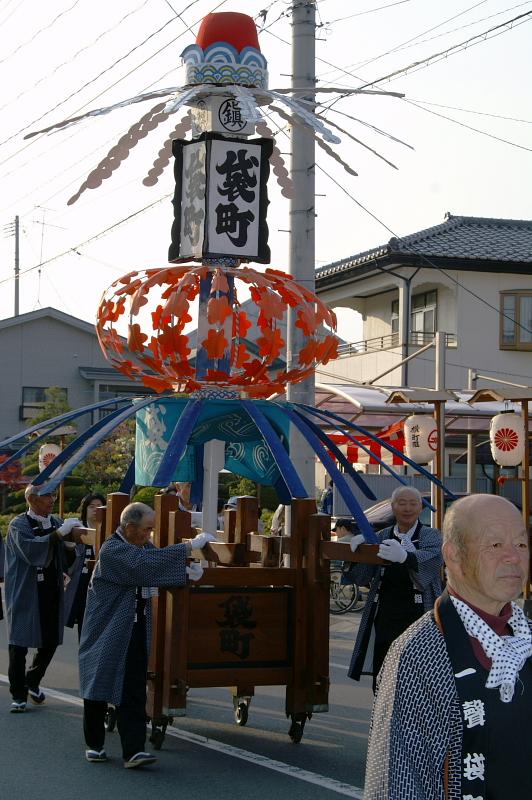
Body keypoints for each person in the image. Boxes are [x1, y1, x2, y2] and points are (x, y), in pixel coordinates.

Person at [364, 494, 532, 800]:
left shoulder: (527, 636)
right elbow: (397, 785)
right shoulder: (418, 653)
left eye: (521, 544)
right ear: (453, 556)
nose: (514, 557)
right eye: (495, 545)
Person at [79, 501, 217, 768]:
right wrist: (188, 547)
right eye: (146, 530)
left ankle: (133, 751)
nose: (149, 535)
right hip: (106, 628)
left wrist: (189, 573)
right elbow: (143, 566)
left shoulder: (142, 547)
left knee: (133, 687)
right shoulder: (113, 549)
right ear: (129, 527)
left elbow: (156, 565)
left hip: (135, 626)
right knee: (99, 684)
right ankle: (94, 744)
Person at [347, 485, 442, 691]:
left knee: (418, 665)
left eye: (413, 503)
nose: (407, 508)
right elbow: (363, 576)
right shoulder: (381, 535)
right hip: (387, 610)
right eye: (402, 503)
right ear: (393, 507)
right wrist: (358, 555)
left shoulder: (431, 535)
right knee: (384, 661)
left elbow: (433, 563)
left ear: (420, 508)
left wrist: (406, 557)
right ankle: (382, 706)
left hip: (419, 610)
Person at [4, 484, 83, 713]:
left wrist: (68, 544)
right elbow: (31, 551)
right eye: (46, 495)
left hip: (51, 588)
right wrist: (58, 535)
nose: (51, 500)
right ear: (31, 499)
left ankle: (33, 679)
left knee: (50, 639)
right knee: (19, 643)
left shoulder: (56, 521)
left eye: (53, 495)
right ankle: (18, 694)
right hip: (25, 589)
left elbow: (66, 556)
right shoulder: (19, 525)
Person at [65, 492, 106, 639]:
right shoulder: (77, 530)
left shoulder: (110, 532)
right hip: (82, 586)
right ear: (85, 509)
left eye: (100, 506)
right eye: (91, 506)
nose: (96, 509)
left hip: (103, 587)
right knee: (84, 631)